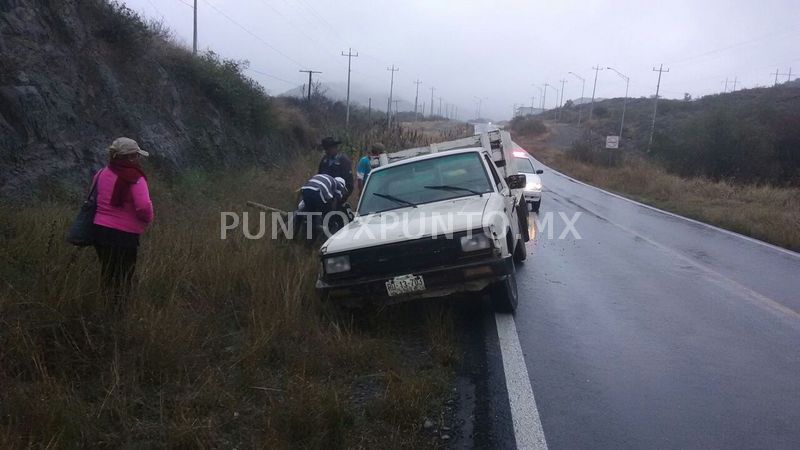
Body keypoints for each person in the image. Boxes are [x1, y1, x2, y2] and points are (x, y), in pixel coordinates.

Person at [92, 137, 154, 304]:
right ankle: (118, 311)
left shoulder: (101, 173)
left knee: (108, 272)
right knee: (124, 275)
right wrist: (147, 220)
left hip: (99, 231)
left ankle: (105, 305)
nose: (138, 159)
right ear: (131, 157)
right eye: (136, 155)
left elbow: (95, 198)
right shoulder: (135, 178)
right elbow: (143, 206)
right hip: (124, 235)